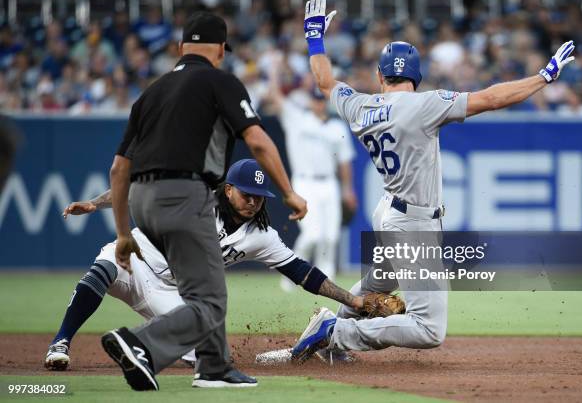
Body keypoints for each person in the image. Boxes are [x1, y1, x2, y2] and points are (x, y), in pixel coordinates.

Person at [291, 0, 576, 361]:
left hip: (389, 211)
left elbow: (326, 82)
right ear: (416, 77)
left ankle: (334, 324)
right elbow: (490, 99)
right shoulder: (426, 104)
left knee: (380, 283)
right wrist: (544, 76)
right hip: (413, 221)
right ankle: (337, 333)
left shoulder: (359, 105)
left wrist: (314, 36)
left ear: (380, 76)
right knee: (428, 328)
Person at [105, 11, 307, 391]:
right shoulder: (220, 82)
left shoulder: (151, 92)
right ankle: (141, 344)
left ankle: (213, 366)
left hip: (141, 200)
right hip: (186, 194)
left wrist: (122, 232)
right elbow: (259, 141)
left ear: (182, 48)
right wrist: (288, 193)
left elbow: (119, 169)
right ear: (219, 50)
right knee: (211, 301)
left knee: (205, 287)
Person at [45, 159, 361, 371]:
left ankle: (298, 350)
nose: (253, 202)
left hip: (171, 293)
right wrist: (94, 204)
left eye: (259, 197)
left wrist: (354, 300)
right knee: (104, 267)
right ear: (228, 189)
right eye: (247, 194)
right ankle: (61, 341)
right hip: (136, 261)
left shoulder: (261, 236)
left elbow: (302, 272)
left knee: (211, 358)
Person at [266, 55, 357, 286]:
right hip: (305, 182)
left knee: (330, 237)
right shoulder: (297, 119)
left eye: (320, 100)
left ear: (324, 102)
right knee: (313, 235)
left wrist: (347, 189)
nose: (318, 104)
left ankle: (327, 282)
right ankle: (291, 276)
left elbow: (344, 162)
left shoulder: (337, 126)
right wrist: (274, 72)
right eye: (315, 100)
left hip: (329, 183)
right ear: (310, 101)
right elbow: (276, 98)